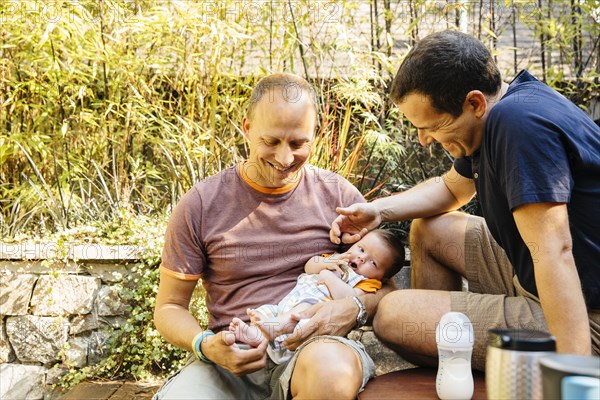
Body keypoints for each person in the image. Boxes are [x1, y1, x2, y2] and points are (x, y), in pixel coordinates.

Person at [330, 30, 600, 371]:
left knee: (393, 316)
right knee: (431, 228)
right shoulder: (506, 109)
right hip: (536, 274)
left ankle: (459, 348)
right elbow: (451, 190)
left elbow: (554, 252)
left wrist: (574, 376)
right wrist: (377, 211)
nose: (424, 140)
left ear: (474, 103)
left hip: (581, 315)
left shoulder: (518, 127)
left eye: (432, 126)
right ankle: (451, 354)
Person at [153, 72, 396, 399]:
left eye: (298, 143)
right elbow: (169, 307)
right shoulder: (201, 204)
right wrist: (205, 345)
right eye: (271, 141)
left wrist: (356, 307)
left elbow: (386, 283)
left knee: (332, 375)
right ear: (247, 129)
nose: (284, 159)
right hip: (231, 356)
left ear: (315, 134)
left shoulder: (339, 197)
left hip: (313, 349)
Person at [229, 228, 405, 364]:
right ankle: (256, 334)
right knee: (266, 312)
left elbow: (349, 299)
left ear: (384, 277)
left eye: (373, 262)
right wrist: (326, 262)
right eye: (360, 249)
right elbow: (309, 266)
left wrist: (327, 276)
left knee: (301, 313)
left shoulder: (365, 282)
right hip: (286, 305)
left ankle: (277, 328)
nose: (360, 258)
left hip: (313, 315)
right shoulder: (337, 258)